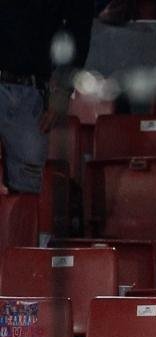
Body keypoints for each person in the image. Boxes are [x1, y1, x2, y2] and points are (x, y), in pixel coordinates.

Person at [0, 0, 92, 195]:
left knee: (26, 192)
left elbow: (79, 26)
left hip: (29, 91)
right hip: (27, 91)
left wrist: (64, 89)